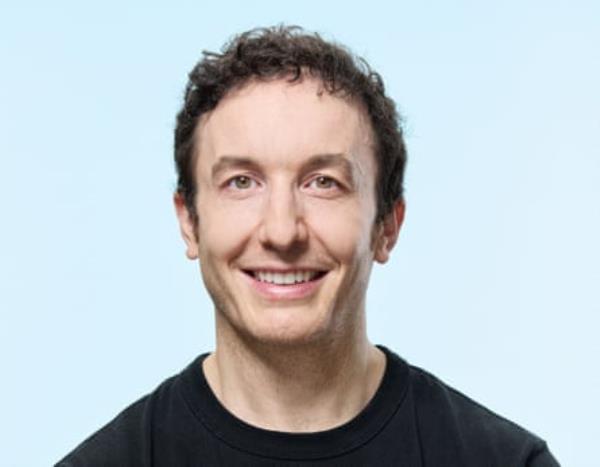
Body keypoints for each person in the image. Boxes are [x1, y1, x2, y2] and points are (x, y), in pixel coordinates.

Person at [56, 26, 559, 466]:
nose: (282, 231)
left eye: (322, 183)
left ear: (387, 225)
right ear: (189, 222)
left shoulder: (505, 461)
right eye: (241, 182)